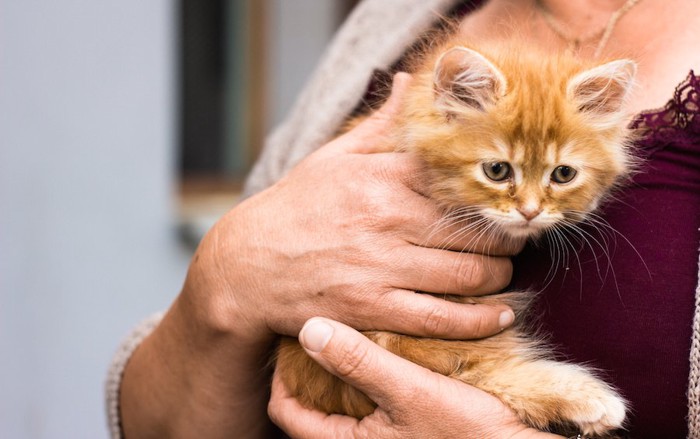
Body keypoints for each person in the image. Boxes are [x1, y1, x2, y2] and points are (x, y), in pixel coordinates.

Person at [107, 0, 700, 437]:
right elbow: (150, 423)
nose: (529, 207)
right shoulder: (394, 18)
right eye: (501, 174)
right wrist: (227, 271)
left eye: (560, 177)